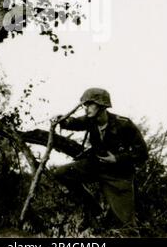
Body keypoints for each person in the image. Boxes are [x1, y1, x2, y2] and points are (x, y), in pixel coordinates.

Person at [53, 88, 148, 235]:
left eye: (91, 104)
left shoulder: (123, 124)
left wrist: (116, 158)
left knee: (127, 227)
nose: (86, 108)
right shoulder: (90, 121)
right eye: (85, 105)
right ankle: (93, 207)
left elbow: (142, 153)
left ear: (102, 106)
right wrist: (62, 120)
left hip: (118, 175)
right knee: (62, 173)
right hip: (96, 166)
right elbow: (75, 123)